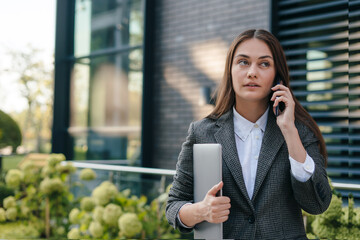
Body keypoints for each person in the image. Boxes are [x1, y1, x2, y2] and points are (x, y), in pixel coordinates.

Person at [165, 29, 332, 239]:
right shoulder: (201, 132)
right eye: (243, 62)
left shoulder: (298, 131)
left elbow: (317, 204)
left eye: (264, 64)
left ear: (277, 76)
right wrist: (202, 210)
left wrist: (289, 131)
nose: (252, 72)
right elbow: (173, 207)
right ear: (230, 71)